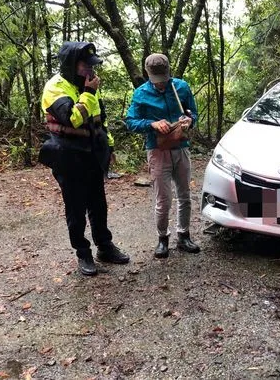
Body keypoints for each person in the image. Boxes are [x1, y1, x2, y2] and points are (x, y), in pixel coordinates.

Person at [38, 41, 130, 276]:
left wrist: (108, 147)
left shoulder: (89, 85)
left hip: (93, 155)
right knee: (76, 208)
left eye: (92, 65)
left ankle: (104, 246)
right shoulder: (55, 88)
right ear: (71, 65)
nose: (91, 70)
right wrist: (88, 93)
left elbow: (101, 119)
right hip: (68, 157)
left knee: (98, 204)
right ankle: (83, 252)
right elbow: (72, 118)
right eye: (85, 66)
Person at [125, 53, 200, 258]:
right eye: (156, 81)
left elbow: (193, 113)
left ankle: (184, 235)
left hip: (181, 147)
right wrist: (151, 124)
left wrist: (189, 120)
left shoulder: (182, 87)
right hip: (157, 150)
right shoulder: (141, 94)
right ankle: (162, 239)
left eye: (163, 80)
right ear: (148, 74)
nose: (160, 84)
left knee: (184, 194)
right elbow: (130, 122)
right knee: (163, 198)